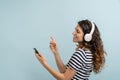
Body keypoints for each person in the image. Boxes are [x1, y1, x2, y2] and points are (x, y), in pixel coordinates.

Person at [35, 19, 106, 80]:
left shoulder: (81, 53)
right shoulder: (89, 52)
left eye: (78, 31)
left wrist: (44, 63)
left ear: (87, 37)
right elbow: (64, 71)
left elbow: (65, 78)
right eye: (75, 30)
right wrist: (56, 53)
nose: (73, 33)